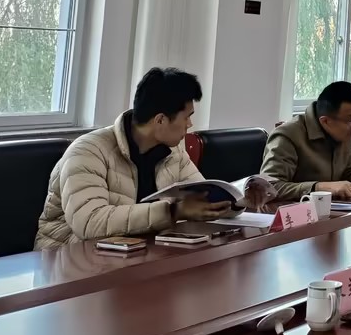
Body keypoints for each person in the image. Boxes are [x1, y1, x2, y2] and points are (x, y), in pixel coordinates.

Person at [35, 67, 231, 248]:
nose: (190, 124)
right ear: (160, 120)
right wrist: (172, 211)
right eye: (186, 117)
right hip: (67, 257)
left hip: (131, 253)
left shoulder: (173, 151)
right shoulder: (88, 151)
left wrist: (238, 200)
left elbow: (203, 199)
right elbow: (90, 223)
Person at [260, 81, 351, 201]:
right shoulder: (288, 136)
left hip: (330, 212)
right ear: (326, 121)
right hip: (296, 216)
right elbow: (268, 187)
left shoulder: (342, 132)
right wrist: (319, 187)